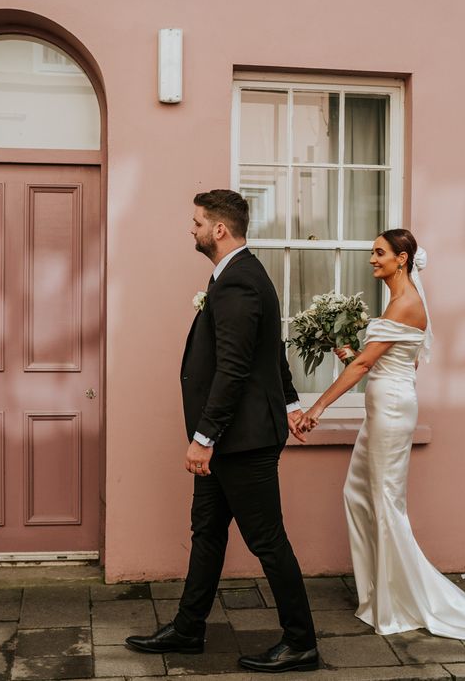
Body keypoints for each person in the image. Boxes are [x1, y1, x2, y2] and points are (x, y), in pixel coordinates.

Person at [126, 189, 319, 673]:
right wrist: (293, 402)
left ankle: (302, 643)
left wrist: (203, 437)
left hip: (241, 441)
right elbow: (269, 350)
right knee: (207, 532)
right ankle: (189, 629)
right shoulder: (240, 276)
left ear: (219, 229)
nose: (190, 229)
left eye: (196, 222)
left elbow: (233, 368)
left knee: (268, 541)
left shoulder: (237, 282)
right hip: (234, 438)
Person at [298, 228, 465, 641]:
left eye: (379, 252)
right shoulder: (395, 304)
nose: (372, 259)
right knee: (358, 494)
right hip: (384, 406)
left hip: (391, 410)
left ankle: (397, 604)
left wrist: (317, 407)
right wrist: (346, 349)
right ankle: (376, 594)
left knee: (386, 502)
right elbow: (394, 362)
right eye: (372, 252)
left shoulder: (406, 305)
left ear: (402, 259)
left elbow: (367, 367)